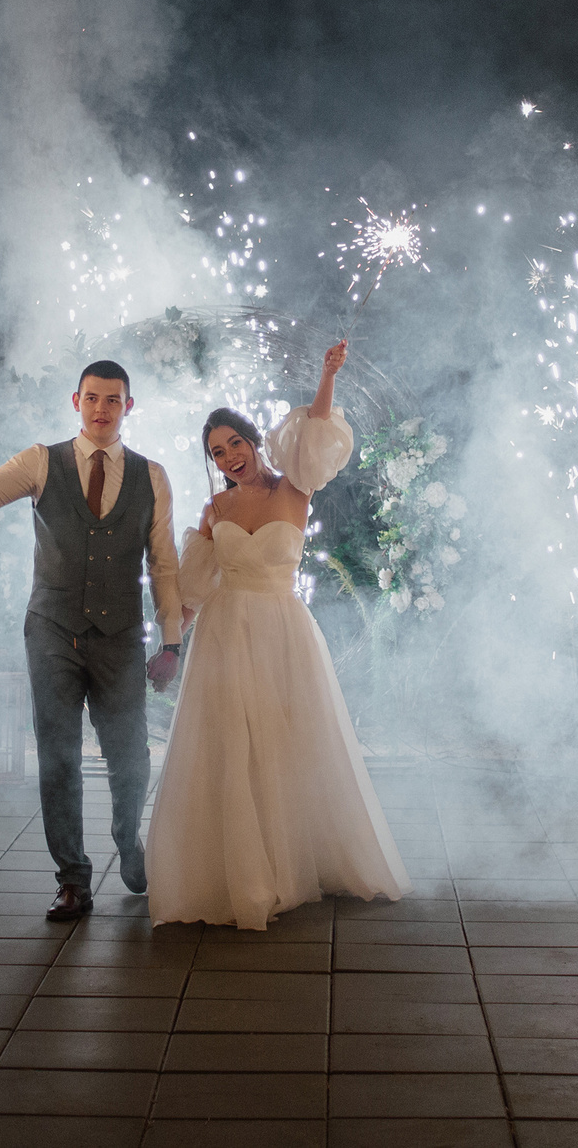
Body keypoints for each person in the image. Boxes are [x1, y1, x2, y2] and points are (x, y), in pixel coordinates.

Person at [147, 342, 410, 929]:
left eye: (235, 444)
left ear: (253, 441)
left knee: (287, 740)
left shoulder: (295, 488)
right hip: (222, 634)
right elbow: (195, 588)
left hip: (282, 631)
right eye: (217, 453)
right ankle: (239, 870)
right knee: (230, 746)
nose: (229, 458)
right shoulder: (214, 509)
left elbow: (317, 429)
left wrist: (327, 375)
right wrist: (171, 646)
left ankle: (294, 857)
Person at [0, 360, 186, 922]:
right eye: (92, 398)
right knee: (57, 757)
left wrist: (172, 642)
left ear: (128, 407)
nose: (101, 409)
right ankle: (72, 879)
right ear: (75, 402)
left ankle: (127, 839)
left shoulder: (151, 475)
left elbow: (163, 565)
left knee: (130, 756)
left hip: (120, 637)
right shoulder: (41, 461)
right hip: (53, 631)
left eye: (113, 400)